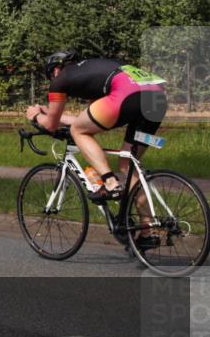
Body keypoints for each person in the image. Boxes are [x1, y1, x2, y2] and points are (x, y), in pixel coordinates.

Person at [25, 51, 168, 247]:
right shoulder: (97, 69)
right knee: (128, 163)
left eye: (50, 76)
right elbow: (92, 120)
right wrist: (58, 119)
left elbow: (51, 125)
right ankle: (147, 230)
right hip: (157, 97)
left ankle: (109, 182)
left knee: (79, 132)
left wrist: (34, 115)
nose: (52, 80)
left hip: (127, 96)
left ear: (55, 70)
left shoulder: (61, 78)